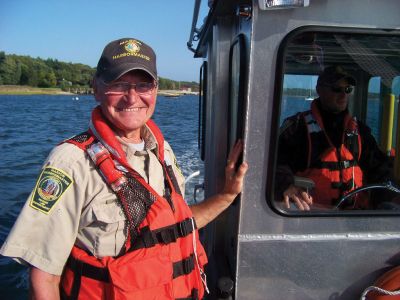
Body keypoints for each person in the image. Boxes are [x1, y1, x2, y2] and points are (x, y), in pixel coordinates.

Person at [0, 38, 248, 299]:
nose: (132, 96)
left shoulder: (162, 152)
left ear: (155, 90)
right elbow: (44, 278)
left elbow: (174, 228)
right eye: (118, 84)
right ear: (96, 88)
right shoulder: (71, 162)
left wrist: (226, 196)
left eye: (144, 84)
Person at [276, 65, 393, 210]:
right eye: (337, 89)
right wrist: (287, 185)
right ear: (320, 90)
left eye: (347, 90)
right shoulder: (296, 128)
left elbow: (380, 170)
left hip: (355, 219)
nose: (343, 95)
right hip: (310, 217)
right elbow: (275, 164)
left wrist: (384, 202)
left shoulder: (360, 132)